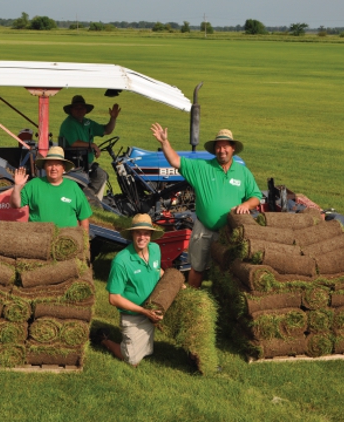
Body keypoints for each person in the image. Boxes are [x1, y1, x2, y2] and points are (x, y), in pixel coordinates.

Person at [150, 123, 262, 288]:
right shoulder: (202, 168)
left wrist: (246, 204)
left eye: (225, 147)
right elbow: (175, 161)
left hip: (230, 232)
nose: (221, 150)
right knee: (197, 267)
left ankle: (221, 299)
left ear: (232, 149)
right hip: (204, 229)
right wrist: (164, 142)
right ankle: (193, 298)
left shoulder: (243, 173)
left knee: (228, 269)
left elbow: (256, 197)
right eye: (218, 147)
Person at [92, 213, 164, 367]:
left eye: (146, 233)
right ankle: (104, 340)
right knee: (132, 360)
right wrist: (143, 312)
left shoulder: (155, 249)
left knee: (147, 351)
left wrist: (174, 283)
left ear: (151, 234)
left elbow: (158, 270)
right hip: (134, 315)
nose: (142, 237)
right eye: (138, 232)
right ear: (132, 233)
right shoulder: (121, 261)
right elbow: (114, 298)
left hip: (152, 309)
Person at [9, 146, 92, 231]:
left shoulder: (73, 187)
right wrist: (17, 187)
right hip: (38, 237)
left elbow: (84, 218)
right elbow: (16, 205)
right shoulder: (34, 184)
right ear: (45, 167)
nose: (53, 168)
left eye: (57, 165)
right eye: (50, 165)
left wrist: (84, 241)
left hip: (66, 240)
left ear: (63, 168)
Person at [59, 95, 121, 200]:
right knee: (100, 175)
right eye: (76, 108)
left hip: (85, 161)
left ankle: (91, 197)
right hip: (74, 161)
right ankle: (88, 198)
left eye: (82, 108)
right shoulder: (68, 124)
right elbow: (74, 143)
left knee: (102, 175)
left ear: (86, 110)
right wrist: (92, 145)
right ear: (71, 110)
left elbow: (106, 130)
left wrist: (113, 118)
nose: (80, 110)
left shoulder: (87, 123)